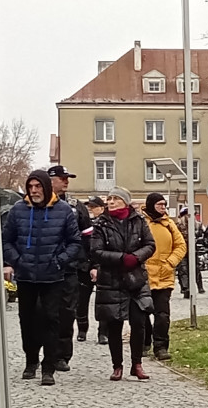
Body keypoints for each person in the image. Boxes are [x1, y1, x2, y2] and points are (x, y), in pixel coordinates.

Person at [1, 170, 81, 386]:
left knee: (51, 320)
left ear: (46, 187)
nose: (34, 191)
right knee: (27, 320)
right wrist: (16, 261)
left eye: (38, 186)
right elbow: (6, 240)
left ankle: (49, 367)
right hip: (26, 275)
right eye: (31, 187)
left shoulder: (64, 211)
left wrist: (59, 261)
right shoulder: (18, 210)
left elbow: (75, 242)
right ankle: (31, 361)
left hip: (52, 276)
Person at [90, 187, 155, 382]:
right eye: (109, 199)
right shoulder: (101, 223)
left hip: (135, 279)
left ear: (125, 202)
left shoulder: (138, 220)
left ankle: (137, 364)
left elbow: (150, 244)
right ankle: (117, 365)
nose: (110, 202)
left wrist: (136, 257)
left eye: (115, 199)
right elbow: (95, 251)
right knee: (114, 324)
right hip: (111, 279)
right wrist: (120, 258)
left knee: (139, 322)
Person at [47, 164, 93, 369]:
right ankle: (43, 353)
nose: (66, 181)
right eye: (62, 178)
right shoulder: (36, 204)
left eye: (68, 178)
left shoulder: (76, 207)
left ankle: (62, 356)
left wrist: (89, 264)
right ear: (50, 180)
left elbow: (88, 237)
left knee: (67, 312)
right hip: (44, 268)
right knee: (43, 313)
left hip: (70, 268)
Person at [142, 193, 186, 362]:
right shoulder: (141, 222)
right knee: (142, 313)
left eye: (164, 205)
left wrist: (170, 262)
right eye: (159, 204)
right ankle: (144, 343)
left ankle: (160, 346)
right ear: (151, 205)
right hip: (144, 276)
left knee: (162, 314)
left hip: (164, 275)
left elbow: (181, 245)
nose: (163, 207)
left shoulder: (169, 224)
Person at [83, 196, 108, 344]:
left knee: (103, 301)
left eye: (93, 207)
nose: (90, 210)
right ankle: (82, 329)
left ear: (101, 208)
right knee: (82, 300)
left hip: (101, 266)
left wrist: (96, 266)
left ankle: (103, 332)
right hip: (85, 265)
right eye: (89, 207)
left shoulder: (106, 224)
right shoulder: (85, 223)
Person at [175, 207, 205, 297]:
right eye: (187, 215)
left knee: (195, 268)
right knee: (183, 269)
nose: (189, 217)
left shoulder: (198, 225)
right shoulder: (178, 226)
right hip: (181, 250)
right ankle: (185, 288)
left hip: (193, 249)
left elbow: (203, 235)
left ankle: (200, 287)